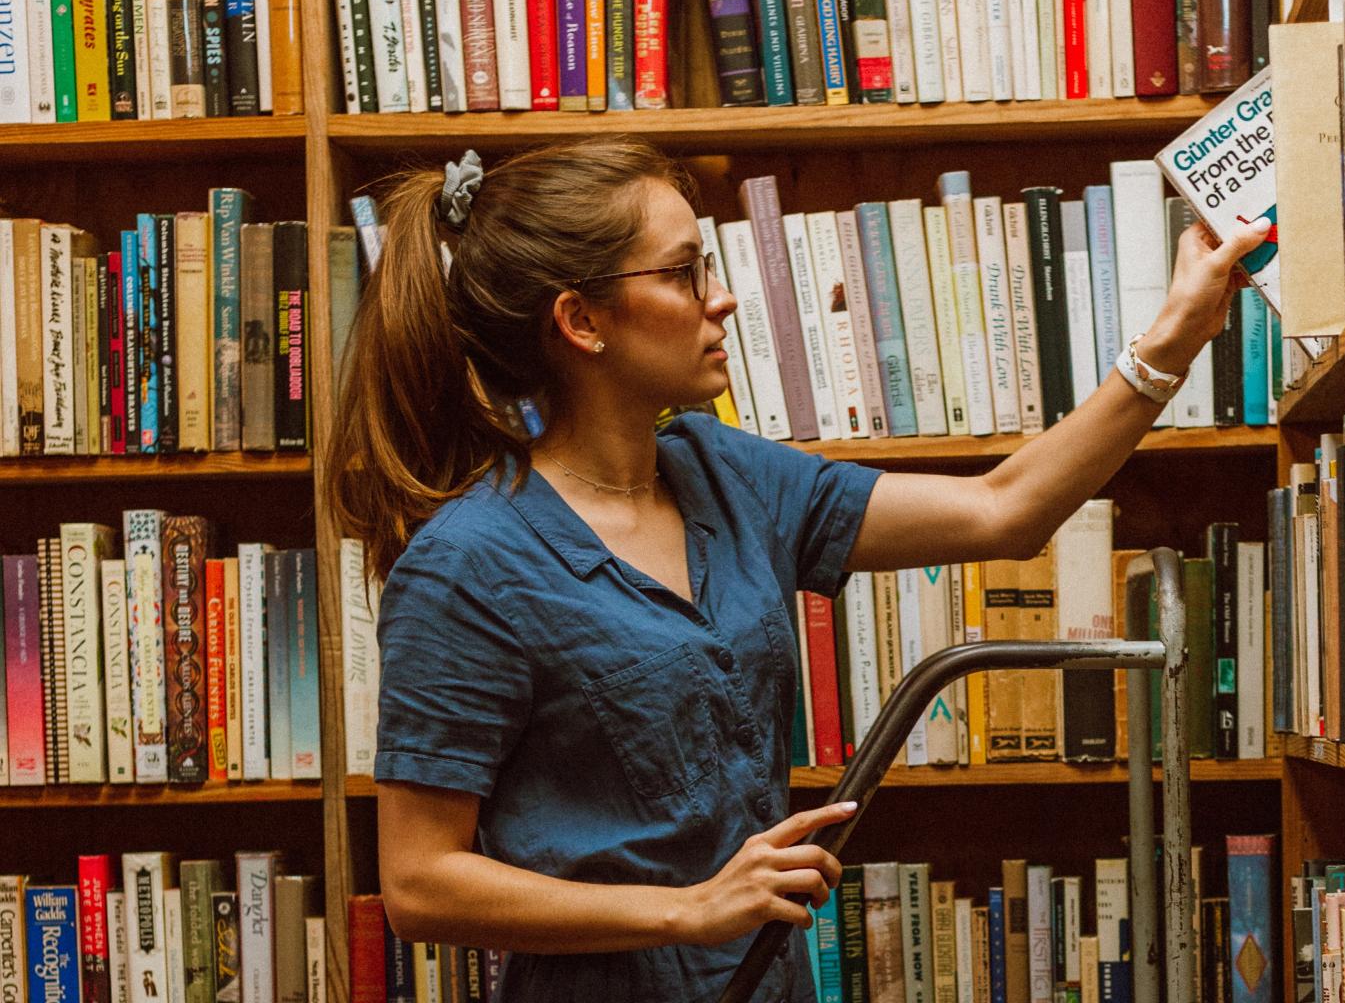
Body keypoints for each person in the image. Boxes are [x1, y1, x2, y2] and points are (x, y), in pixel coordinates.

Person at [326, 136, 1270, 1002]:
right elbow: (418, 884)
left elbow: (1005, 509)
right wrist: (686, 909)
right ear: (581, 320)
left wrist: (1176, 335)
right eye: (686, 272)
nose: (721, 297)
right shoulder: (468, 564)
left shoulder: (725, 472)